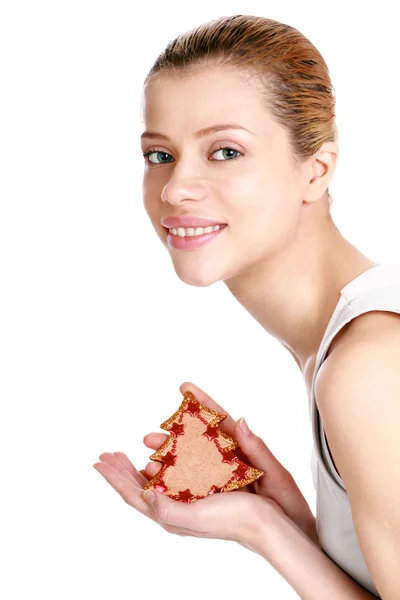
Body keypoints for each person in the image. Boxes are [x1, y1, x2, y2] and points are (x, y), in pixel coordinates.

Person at [93, 14, 400, 599]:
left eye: (226, 150)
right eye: (160, 155)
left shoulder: (370, 364)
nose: (176, 187)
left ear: (317, 170)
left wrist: (263, 530)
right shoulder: (349, 339)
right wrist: (279, 524)